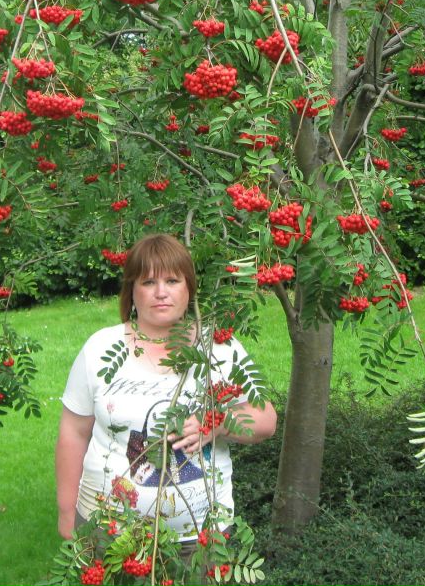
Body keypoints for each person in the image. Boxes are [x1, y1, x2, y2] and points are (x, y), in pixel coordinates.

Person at [56, 233, 277, 543]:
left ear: (189, 288)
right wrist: (67, 512)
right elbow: (73, 432)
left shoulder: (219, 347)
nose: (161, 292)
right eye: (148, 282)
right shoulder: (100, 348)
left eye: (172, 281)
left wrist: (215, 424)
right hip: (107, 532)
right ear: (131, 291)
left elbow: (266, 420)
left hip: (201, 538)